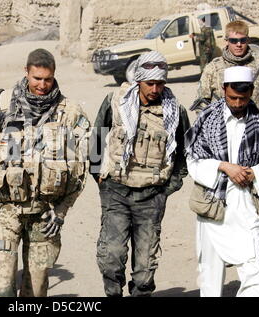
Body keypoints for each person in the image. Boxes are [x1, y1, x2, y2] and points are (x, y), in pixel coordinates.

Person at [0, 48, 90, 297]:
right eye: (37, 78)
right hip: (5, 212)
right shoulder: (1, 108)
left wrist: (61, 213)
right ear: (26, 72)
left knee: (37, 288)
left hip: (43, 215)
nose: (42, 85)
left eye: (48, 79)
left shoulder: (70, 113)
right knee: (2, 287)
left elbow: (80, 173)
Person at [90, 51, 190, 297]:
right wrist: (100, 178)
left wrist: (168, 188)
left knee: (145, 269)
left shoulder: (175, 111)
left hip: (152, 195)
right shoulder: (116, 101)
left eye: (160, 83)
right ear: (138, 81)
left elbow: (185, 154)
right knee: (112, 257)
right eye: (150, 83)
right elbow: (97, 141)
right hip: (116, 191)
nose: (155, 89)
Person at [185, 66, 259, 297]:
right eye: (233, 98)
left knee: (254, 271)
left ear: (251, 93)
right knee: (210, 275)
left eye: (243, 98)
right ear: (223, 89)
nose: (237, 104)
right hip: (213, 206)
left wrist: (254, 173)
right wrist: (224, 166)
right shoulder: (206, 119)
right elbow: (192, 161)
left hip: (247, 205)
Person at [197, 20, 259, 119]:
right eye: (233, 41)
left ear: (248, 40)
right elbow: (202, 103)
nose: (238, 44)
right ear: (226, 41)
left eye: (242, 40)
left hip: (253, 126)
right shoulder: (213, 69)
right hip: (221, 129)